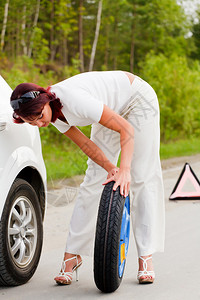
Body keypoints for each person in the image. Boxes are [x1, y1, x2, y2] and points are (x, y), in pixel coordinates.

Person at [10, 70, 165, 285]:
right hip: (110, 107)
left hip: (137, 99)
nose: (39, 124)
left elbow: (126, 129)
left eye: (39, 117)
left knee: (141, 177)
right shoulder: (52, 114)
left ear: (45, 101)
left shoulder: (74, 100)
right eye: (31, 122)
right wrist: (111, 167)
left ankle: (145, 257)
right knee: (94, 177)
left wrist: (125, 169)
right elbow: (85, 145)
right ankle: (72, 255)